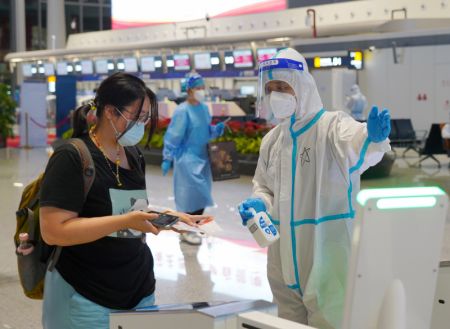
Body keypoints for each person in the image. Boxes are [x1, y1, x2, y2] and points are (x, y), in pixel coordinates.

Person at [238, 48, 391, 329]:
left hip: (326, 252)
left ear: (301, 86)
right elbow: (263, 186)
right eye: (271, 88)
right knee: (288, 323)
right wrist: (259, 202)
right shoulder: (272, 140)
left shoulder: (331, 126)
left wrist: (372, 136)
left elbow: (355, 144)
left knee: (330, 320)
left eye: (282, 87)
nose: (276, 94)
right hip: (282, 256)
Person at [39, 73, 206, 329]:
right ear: (110, 111)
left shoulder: (131, 154)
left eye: (145, 118)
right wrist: (126, 221)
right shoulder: (72, 157)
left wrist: (169, 216)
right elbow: (53, 231)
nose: (141, 124)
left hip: (139, 291)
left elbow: (128, 209)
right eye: (136, 117)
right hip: (88, 296)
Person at [161, 73, 225, 245]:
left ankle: (194, 226)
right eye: (198, 88)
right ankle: (184, 230)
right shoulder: (182, 111)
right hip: (187, 159)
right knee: (187, 197)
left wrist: (215, 130)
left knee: (201, 196)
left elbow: (204, 130)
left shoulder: (204, 108)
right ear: (189, 90)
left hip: (203, 157)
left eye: (203, 87)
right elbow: (173, 136)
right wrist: (167, 157)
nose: (201, 91)